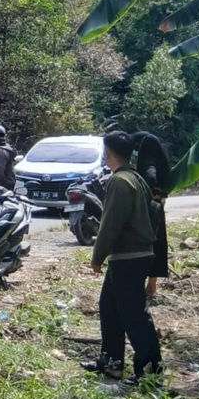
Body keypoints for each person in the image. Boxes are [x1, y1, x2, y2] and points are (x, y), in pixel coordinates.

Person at [82, 131, 163, 382]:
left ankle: (150, 368)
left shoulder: (119, 182)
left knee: (133, 313)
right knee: (109, 307)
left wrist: (97, 258)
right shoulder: (135, 177)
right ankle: (112, 361)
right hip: (131, 255)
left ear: (107, 153)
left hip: (129, 255)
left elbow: (110, 224)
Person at [133, 131, 170, 298]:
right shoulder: (159, 155)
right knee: (158, 244)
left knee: (143, 245)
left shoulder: (147, 157)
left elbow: (149, 173)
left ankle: (141, 286)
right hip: (158, 207)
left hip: (146, 209)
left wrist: (150, 190)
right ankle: (152, 286)